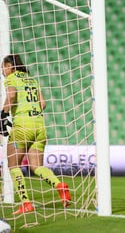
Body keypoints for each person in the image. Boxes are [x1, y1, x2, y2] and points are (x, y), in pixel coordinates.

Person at [0, 54, 71, 214]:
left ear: (10, 66)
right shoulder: (32, 80)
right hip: (39, 126)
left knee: (13, 165)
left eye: (3, 67)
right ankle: (59, 185)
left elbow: (11, 96)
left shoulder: (11, 78)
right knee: (36, 166)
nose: (2, 71)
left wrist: (3, 114)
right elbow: (43, 104)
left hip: (23, 126)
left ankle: (26, 203)